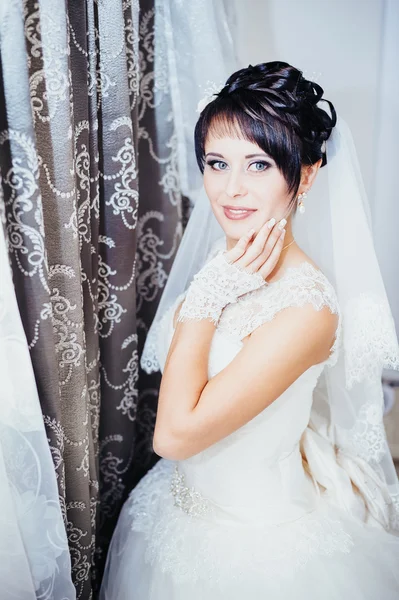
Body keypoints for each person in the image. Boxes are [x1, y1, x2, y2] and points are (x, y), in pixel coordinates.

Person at [100, 61, 399, 599]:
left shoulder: (308, 309)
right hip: (178, 510)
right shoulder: (230, 255)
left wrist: (207, 300)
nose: (231, 190)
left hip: (256, 546)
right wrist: (215, 289)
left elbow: (172, 436)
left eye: (258, 165)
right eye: (217, 162)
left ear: (305, 174)